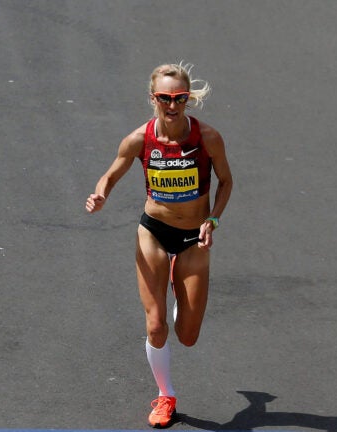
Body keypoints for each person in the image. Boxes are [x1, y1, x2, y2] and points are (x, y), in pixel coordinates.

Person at [85, 62, 233, 428]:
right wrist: (100, 195)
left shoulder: (207, 138)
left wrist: (213, 220)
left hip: (193, 239)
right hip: (153, 232)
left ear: (188, 99)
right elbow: (110, 175)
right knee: (155, 326)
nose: (172, 105)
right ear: (154, 98)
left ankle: (178, 285)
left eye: (180, 98)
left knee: (188, 336)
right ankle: (166, 395)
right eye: (165, 98)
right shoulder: (139, 139)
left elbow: (226, 181)